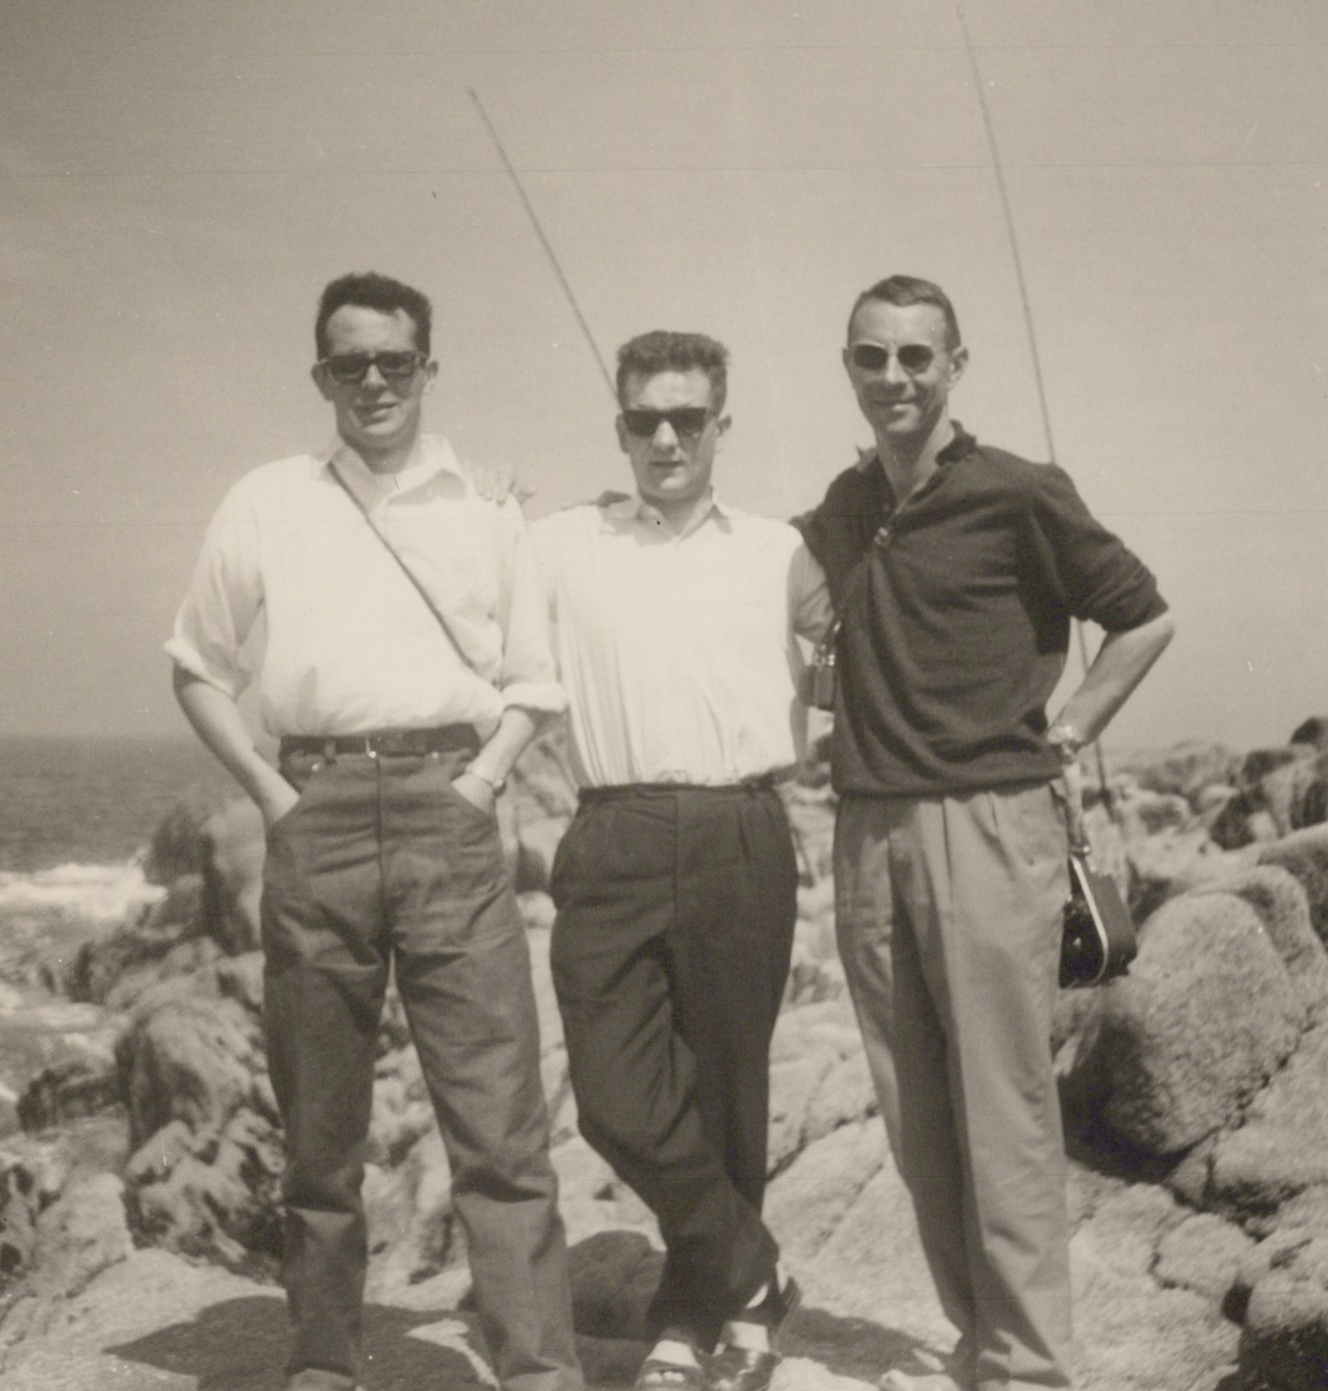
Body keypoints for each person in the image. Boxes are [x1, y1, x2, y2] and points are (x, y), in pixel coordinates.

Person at [167, 272, 582, 1391]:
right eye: (349, 363)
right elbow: (196, 665)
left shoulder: (485, 505)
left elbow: (535, 674)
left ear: (427, 369)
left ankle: (537, 1366)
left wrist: (481, 782)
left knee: (498, 1118)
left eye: (396, 360)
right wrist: (272, 794)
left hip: (452, 805)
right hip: (319, 810)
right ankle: (324, 1359)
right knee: (319, 1125)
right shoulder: (267, 500)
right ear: (321, 377)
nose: (374, 382)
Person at [796, 276, 1175, 1391]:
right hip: (866, 825)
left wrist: (1069, 731)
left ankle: (1030, 1366)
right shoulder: (842, 506)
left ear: (955, 365)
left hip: (989, 821)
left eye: (916, 355)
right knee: (915, 1111)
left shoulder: (1018, 490)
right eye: (871, 356)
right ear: (848, 366)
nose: (894, 377)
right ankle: (978, 1342)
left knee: (1002, 1107)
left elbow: (1144, 619)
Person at [531, 331, 831, 1391]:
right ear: (619, 427)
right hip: (610, 825)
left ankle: (696, 1319)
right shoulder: (560, 544)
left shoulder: (779, 551)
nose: (665, 438)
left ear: (720, 427)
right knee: (611, 1096)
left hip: (738, 827)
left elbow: (858, 655)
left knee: (728, 1088)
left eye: (687, 419)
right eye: (644, 419)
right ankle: (752, 1271)